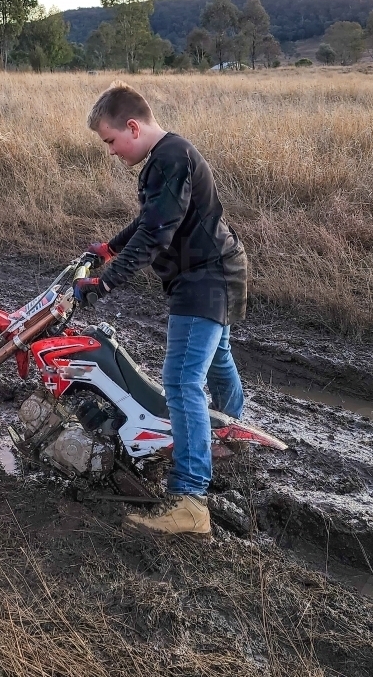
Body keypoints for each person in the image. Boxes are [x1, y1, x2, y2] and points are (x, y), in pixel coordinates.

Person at [74, 82, 247, 537]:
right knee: (218, 360)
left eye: (110, 141)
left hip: (204, 279)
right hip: (219, 270)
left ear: (132, 126)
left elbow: (155, 237)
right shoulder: (170, 156)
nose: (110, 151)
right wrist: (111, 247)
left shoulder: (170, 159)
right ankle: (226, 440)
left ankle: (190, 499)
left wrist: (103, 283)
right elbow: (151, 218)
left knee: (181, 380)